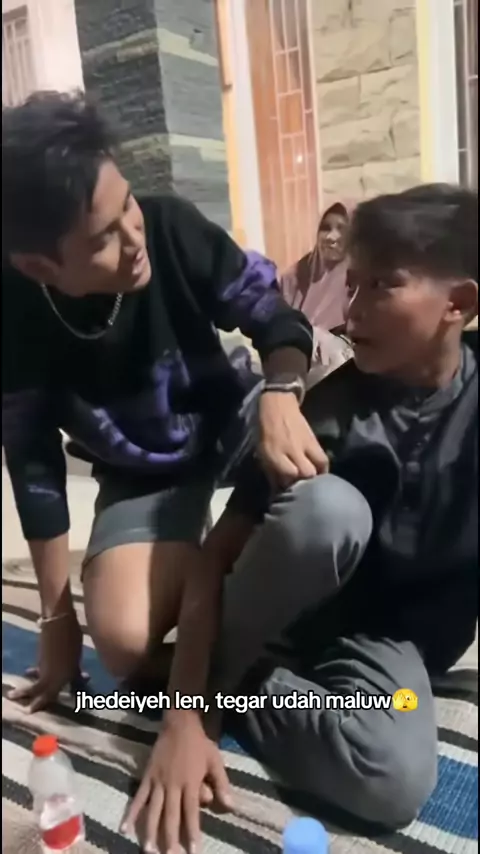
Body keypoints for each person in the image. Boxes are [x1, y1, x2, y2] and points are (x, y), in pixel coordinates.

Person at [2, 91, 330, 851]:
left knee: (326, 500)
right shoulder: (12, 311)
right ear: (39, 264)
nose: (133, 238)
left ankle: (217, 630)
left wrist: (282, 392)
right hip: (143, 470)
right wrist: (58, 622)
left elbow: (278, 318)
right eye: (103, 237)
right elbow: (32, 458)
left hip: (235, 424)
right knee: (122, 648)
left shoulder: (172, 227)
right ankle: (233, 670)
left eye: (127, 206)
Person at [125, 184, 478, 850]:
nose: (353, 308)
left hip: (386, 648)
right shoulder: (331, 409)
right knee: (328, 510)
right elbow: (215, 557)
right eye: (353, 284)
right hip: (291, 602)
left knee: (391, 781)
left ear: (457, 304)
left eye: (383, 286)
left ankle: (243, 683)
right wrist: (185, 715)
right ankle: (206, 684)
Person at [280, 200, 354, 382]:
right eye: (325, 228)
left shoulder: (362, 280)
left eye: (342, 229)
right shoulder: (295, 276)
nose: (331, 237)